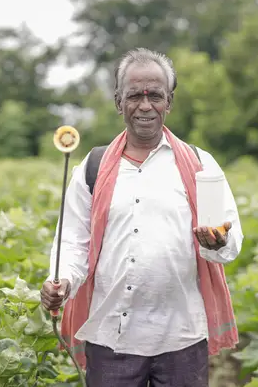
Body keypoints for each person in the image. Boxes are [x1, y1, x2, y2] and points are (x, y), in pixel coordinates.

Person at [41, 47, 243, 387]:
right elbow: (73, 243)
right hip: (111, 340)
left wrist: (217, 241)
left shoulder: (199, 165)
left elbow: (229, 241)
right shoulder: (91, 168)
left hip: (181, 337)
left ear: (169, 102)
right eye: (135, 95)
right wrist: (60, 281)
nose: (145, 105)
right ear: (119, 102)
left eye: (155, 96)